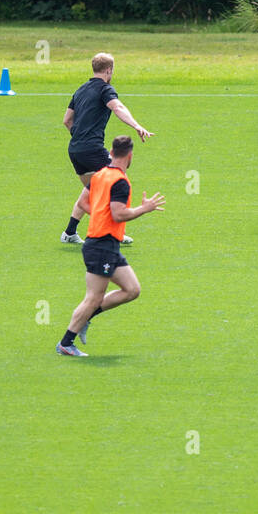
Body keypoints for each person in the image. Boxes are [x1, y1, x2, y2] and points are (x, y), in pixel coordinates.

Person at [56, 135, 164, 357]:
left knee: (132, 290)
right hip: (101, 245)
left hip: (106, 244)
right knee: (94, 297)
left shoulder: (99, 175)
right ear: (130, 155)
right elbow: (119, 214)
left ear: (111, 152)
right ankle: (66, 343)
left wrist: (100, 214)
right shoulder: (120, 182)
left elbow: (83, 203)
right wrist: (144, 209)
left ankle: (86, 319)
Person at [61, 52, 154, 244]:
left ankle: (70, 232)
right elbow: (118, 107)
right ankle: (114, 232)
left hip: (75, 149)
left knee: (92, 190)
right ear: (109, 70)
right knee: (118, 181)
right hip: (92, 148)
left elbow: (67, 120)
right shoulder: (105, 89)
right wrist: (136, 125)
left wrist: (79, 137)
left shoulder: (80, 90)